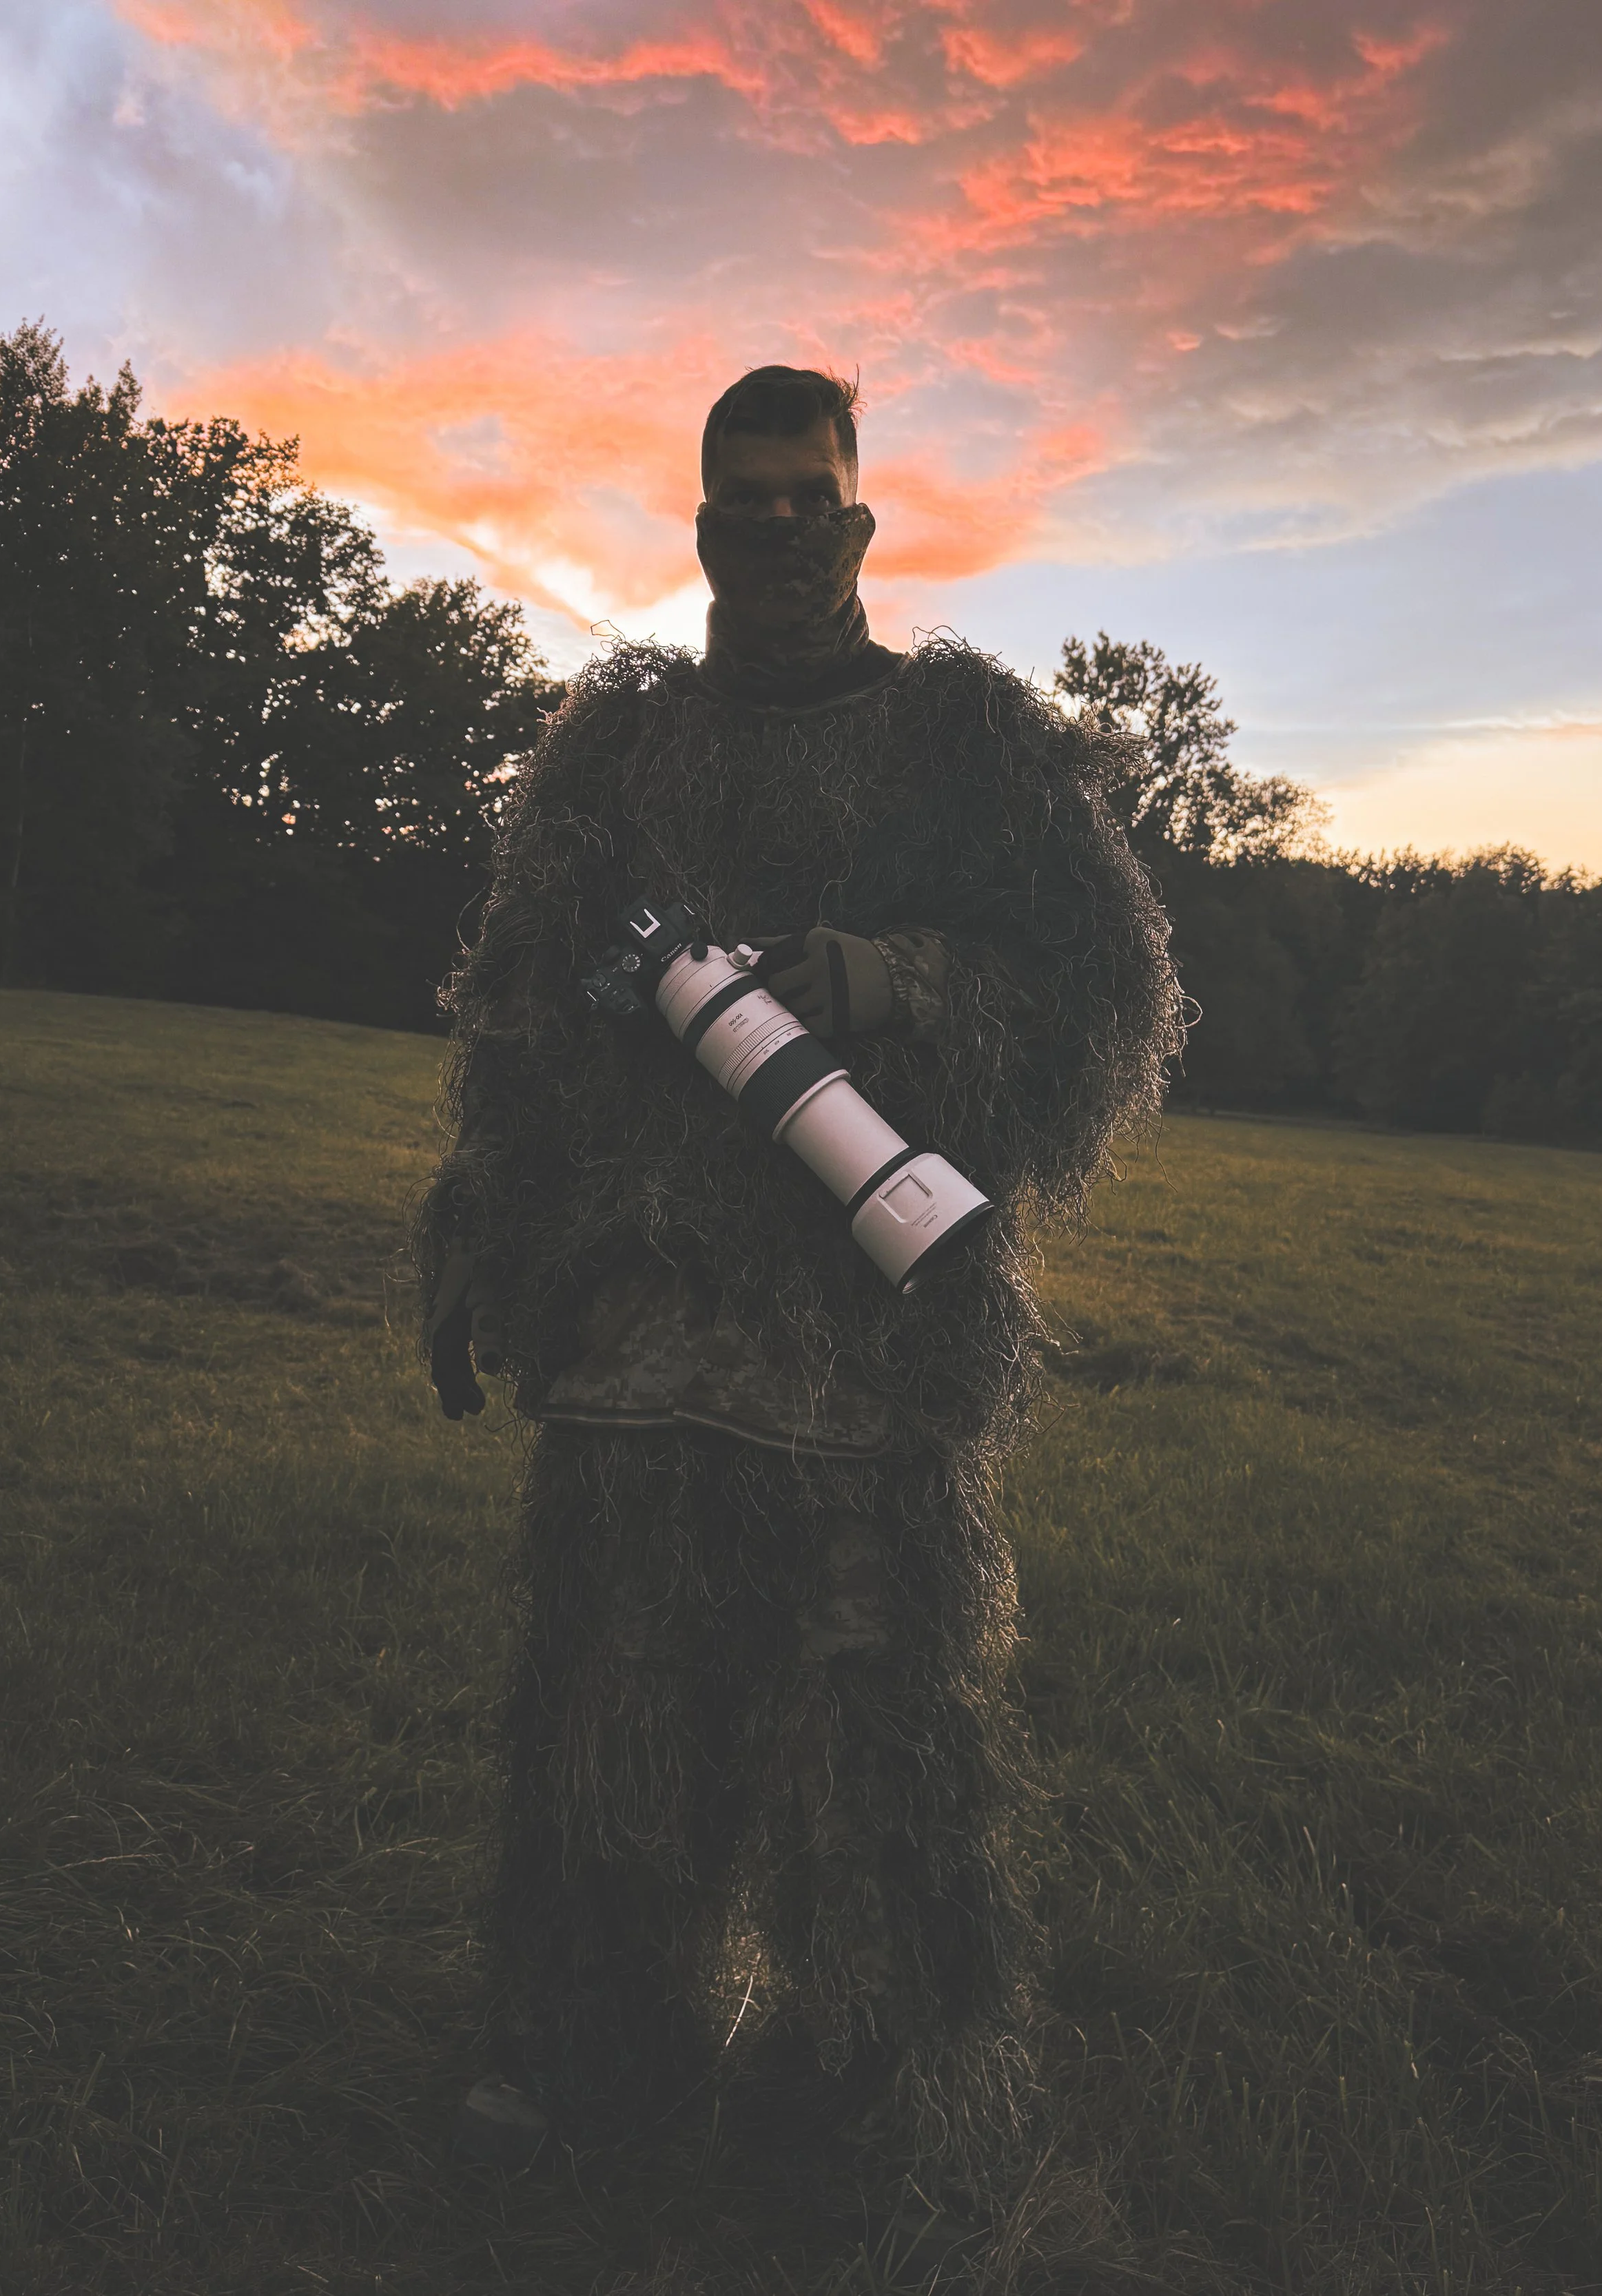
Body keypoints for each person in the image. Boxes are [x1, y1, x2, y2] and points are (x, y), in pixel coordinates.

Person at [416, 366, 1179, 2193]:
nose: (772, 530)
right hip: (633, 1327)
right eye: (738, 500)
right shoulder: (618, 749)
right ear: (698, 525)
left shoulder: (966, 744)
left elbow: (1105, 993)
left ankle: (873, 2100)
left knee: (870, 1743)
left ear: (858, 518)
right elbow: (520, 1012)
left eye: (804, 498)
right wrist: (475, 1229)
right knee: (610, 1714)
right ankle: (587, 2064)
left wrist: (896, 979)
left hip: (864, 1332)